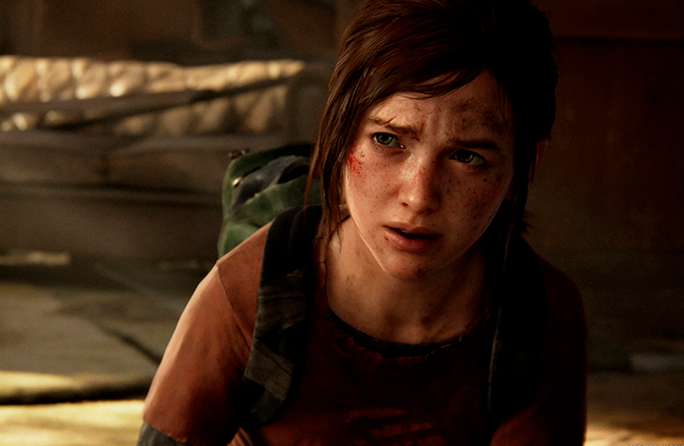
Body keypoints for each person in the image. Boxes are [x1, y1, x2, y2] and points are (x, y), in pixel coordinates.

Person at [138, 0, 587, 444]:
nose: (418, 196)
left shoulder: (540, 315)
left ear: (524, 167)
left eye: (467, 156)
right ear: (340, 136)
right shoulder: (245, 293)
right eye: (387, 140)